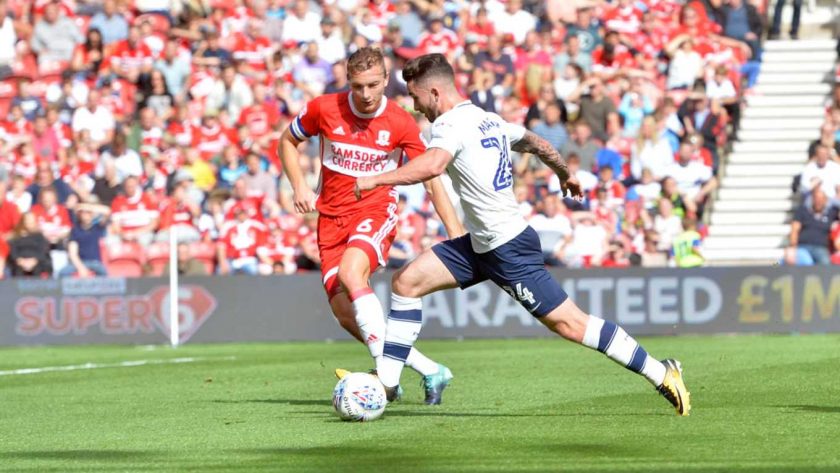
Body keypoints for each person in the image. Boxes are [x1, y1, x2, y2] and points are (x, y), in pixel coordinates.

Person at [355, 53, 690, 415]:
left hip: (508, 248)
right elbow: (538, 143)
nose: (417, 107)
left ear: (434, 93)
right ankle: (387, 384)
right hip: (482, 244)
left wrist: (376, 179)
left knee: (571, 324)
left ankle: (662, 372)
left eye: (417, 99)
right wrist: (565, 173)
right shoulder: (488, 120)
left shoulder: (449, 125)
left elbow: (433, 165)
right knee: (406, 283)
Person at [278, 47, 464, 405]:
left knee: (352, 274)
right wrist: (299, 185)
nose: (365, 94)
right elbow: (288, 140)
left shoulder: (400, 121)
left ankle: (385, 379)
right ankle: (430, 370)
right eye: (358, 85)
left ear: (386, 79)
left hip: (374, 211)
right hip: (330, 219)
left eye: (373, 85)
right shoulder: (324, 108)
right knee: (345, 314)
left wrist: (454, 230)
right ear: (348, 81)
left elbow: (430, 177)